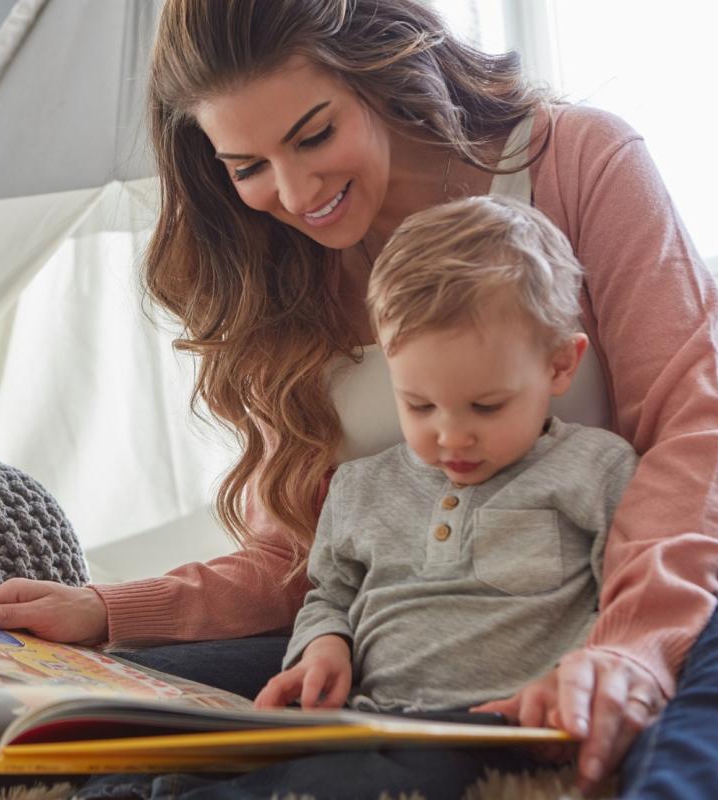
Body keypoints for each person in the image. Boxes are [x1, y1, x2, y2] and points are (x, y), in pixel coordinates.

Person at [0, 1, 718, 798]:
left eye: (312, 133)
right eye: (246, 166)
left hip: (572, 613)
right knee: (67, 713)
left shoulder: (577, 162)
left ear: (381, 69)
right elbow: (307, 547)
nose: (291, 190)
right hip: (380, 637)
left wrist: (631, 650)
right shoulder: (277, 265)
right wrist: (107, 609)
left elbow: (690, 431)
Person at [252, 195, 639, 723]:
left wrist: (575, 674)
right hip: (375, 722)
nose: (452, 438)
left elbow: (629, 601)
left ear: (559, 365)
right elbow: (329, 596)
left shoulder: (596, 468)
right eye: (419, 404)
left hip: (515, 727)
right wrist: (323, 650)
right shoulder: (358, 487)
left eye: (486, 406)